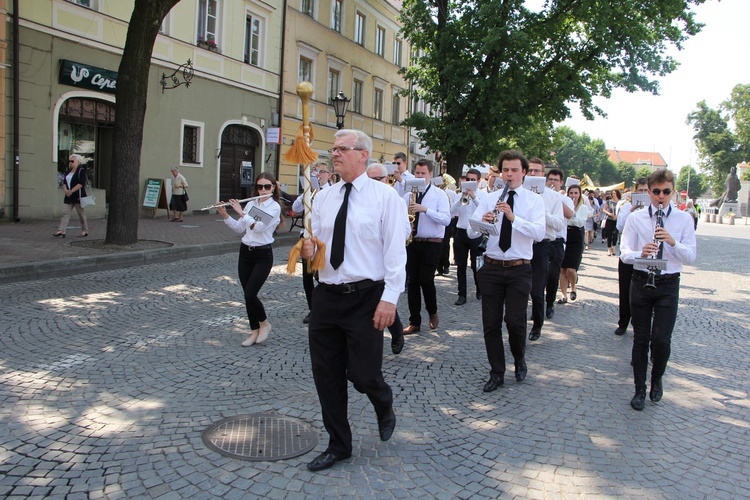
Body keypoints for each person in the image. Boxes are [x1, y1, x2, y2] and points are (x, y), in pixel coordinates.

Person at [301, 130, 407, 472]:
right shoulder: (324, 197)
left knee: (363, 374)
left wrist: (389, 299)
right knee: (326, 375)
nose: (335, 154)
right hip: (327, 296)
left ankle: (382, 398)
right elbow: (317, 248)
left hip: (366, 296)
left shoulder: (385, 197)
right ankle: (339, 445)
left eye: (342, 149)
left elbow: (395, 253)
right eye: (333, 149)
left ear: (363, 154)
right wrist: (308, 251)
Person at [467, 150, 544, 392]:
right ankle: (496, 372)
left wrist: (513, 217)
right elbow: (471, 233)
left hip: (519, 269)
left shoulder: (533, 201)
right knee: (490, 324)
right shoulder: (489, 199)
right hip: (491, 266)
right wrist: (484, 223)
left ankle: (519, 358)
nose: (509, 174)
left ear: (523, 172)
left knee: (515, 321)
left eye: (514, 170)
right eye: (505, 170)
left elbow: (539, 234)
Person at [620, 169, 697, 410]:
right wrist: (640, 253)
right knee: (641, 338)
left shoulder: (684, 220)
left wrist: (672, 241)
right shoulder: (636, 218)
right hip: (642, 280)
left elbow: (692, 256)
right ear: (650, 192)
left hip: (668, 283)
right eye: (656, 192)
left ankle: (657, 379)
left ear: (673, 192)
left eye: (666, 192)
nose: (661, 196)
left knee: (661, 340)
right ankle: (639, 389)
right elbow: (624, 254)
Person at [216, 172, 281, 347]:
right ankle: (254, 331)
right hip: (246, 253)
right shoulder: (251, 204)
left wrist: (240, 212)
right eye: (260, 186)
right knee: (247, 296)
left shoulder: (274, 207)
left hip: (263, 254)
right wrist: (225, 215)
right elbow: (239, 228)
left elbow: (258, 227)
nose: (263, 190)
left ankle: (265, 323)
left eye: (267, 186)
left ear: (273, 187)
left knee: (251, 293)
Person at [402, 159, 451, 334]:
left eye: (423, 173)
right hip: (413, 243)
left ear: (430, 174)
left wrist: (425, 210)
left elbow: (446, 219)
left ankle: (432, 312)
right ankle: (414, 322)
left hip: (433, 243)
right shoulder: (408, 195)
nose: (420, 176)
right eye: (417, 173)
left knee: (426, 280)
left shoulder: (439, 195)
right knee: (413, 282)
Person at [367, 162, 410, 355]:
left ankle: (396, 331)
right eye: (371, 179)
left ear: (387, 179)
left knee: (383, 297)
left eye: (379, 179)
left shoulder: (396, 200)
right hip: (366, 259)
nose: (375, 183)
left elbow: (405, 230)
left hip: (386, 258)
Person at [526, 158, 565, 341]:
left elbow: (558, 225)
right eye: (530, 171)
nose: (533, 174)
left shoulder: (554, 197)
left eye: (537, 171)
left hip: (542, 245)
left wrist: (544, 213)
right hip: (522, 244)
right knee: (518, 287)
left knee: (537, 290)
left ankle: (537, 325)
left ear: (543, 174)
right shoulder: (520, 193)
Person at [292, 160, 333, 324]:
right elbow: (295, 209)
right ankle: (313, 310)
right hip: (306, 237)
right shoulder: (310, 192)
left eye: (322, 172)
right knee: (307, 277)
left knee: (323, 276)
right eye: (316, 171)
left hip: (322, 239)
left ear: (329, 175)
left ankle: (329, 307)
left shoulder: (331, 192)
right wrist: (306, 193)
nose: (318, 175)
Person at [614, 178, 649, 336]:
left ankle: (639, 322)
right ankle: (623, 322)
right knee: (625, 289)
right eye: (639, 191)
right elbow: (619, 227)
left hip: (645, 256)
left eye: (645, 191)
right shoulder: (627, 207)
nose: (642, 194)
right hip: (628, 255)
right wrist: (632, 209)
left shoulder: (653, 211)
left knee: (643, 291)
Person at [450, 168, 485, 305]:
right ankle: (462, 294)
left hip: (477, 233)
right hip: (461, 233)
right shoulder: (459, 195)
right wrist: (461, 198)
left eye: (473, 180)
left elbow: (485, 209)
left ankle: (480, 289)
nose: (470, 182)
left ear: (478, 181)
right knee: (461, 266)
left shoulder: (483, 195)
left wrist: (474, 197)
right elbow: (452, 212)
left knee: (477, 265)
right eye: (468, 179)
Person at [544, 169, 574, 319]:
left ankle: (549, 303)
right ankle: (537, 304)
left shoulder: (565, 199)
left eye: (556, 180)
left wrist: (556, 198)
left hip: (557, 241)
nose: (552, 182)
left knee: (553, 275)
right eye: (550, 179)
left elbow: (569, 215)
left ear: (561, 183)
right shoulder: (541, 196)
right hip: (542, 239)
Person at [557, 184, 588, 304]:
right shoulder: (563, 205)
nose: (573, 195)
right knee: (562, 269)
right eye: (571, 193)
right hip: (565, 235)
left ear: (579, 194)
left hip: (576, 237)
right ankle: (563, 295)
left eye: (576, 193)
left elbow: (579, 222)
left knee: (571, 268)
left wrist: (572, 213)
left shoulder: (583, 208)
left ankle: (573, 288)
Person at [54, 154, 90, 238]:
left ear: (78, 161)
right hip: (68, 196)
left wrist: (71, 191)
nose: (70, 163)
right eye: (69, 161)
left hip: (78, 195)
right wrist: (66, 190)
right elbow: (64, 182)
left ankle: (85, 230)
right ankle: (61, 230)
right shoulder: (68, 171)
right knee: (65, 213)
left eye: (72, 161)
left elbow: (81, 183)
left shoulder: (81, 170)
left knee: (81, 214)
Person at [602, 190, 621, 256]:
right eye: (612, 193)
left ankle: (614, 247)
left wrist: (617, 215)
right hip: (609, 219)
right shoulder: (609, 202)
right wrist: (609, 213)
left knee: (615, 234)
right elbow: (604, 209)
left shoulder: (620, 202)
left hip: (617, 220)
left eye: (614, 193)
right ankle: (609, 248)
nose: (613, 194)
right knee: (609, 234)